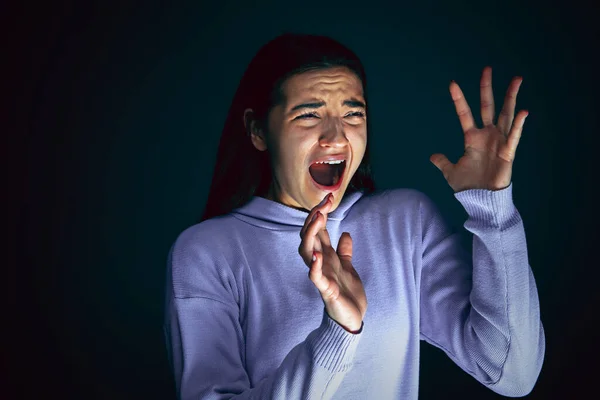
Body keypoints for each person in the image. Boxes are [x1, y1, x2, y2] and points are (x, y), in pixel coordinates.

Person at [163, 32, 545, 399]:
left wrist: (493, 208)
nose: (336, 137)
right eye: (309, 115)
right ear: (258, 130)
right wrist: (339, 330)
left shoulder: (405, 223)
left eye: (353, 113)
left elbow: (511, 371)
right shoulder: (205, 253)